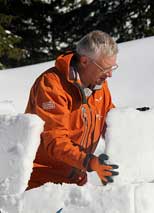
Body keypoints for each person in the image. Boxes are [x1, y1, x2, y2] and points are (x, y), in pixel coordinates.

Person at [25, 30, 119, 190]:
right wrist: (89, 161)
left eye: (113, 67)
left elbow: (110, 122)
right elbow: (55, 140)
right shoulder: (52, 86)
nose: (109, 74)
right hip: (42, 183)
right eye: (105, 68)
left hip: (76, 181)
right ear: (84, 61)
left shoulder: (99, 87)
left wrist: (134, 121)